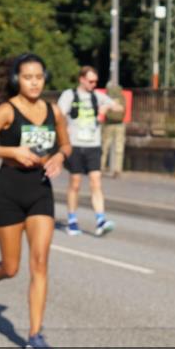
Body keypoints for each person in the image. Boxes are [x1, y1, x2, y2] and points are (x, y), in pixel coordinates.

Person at [0, 53, 72, 349]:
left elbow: (65, 144)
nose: (34, 82)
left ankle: (35, 335)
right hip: (9, 191)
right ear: (17, 80)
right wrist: (13, 151)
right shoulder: (7, 111)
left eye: (39, 77)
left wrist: (60, 157)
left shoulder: (54, 111)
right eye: (28, 77)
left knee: (39, 263)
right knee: (11, 267)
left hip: (40, 190)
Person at [58, 66, 124, 236]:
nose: (93, 84)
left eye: (95, 81)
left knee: (96, 181)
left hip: (93, 145)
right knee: (76, 183)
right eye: (90, 81)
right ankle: (72, 220)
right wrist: (64, 129)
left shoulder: (98, 96)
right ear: (81, 79)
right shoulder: (69, 95)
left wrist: (107, 108)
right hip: (75, 145)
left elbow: (119, 108)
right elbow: (58, 114)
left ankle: (100, 220)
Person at [101, 81, 127, 178]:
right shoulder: (121, 95)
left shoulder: (107, 95)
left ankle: (101, 167)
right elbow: (124, 109)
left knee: (105, 146)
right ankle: (117, 169)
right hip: (120, 124)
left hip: (108, 124)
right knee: (119, 147)